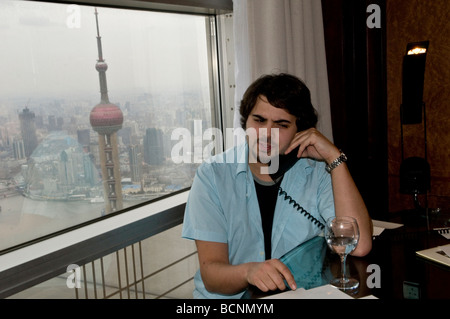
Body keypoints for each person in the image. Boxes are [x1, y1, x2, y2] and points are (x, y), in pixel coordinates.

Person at [182, 73, 372, 299]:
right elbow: (211, 275)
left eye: (281, 125)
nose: (266, 134)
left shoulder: (316, 172)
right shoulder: (213, 176)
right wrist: (249, 272)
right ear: (245, 122)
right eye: (259, 120)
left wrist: (334, 158)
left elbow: (359, 246)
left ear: (300, 131)